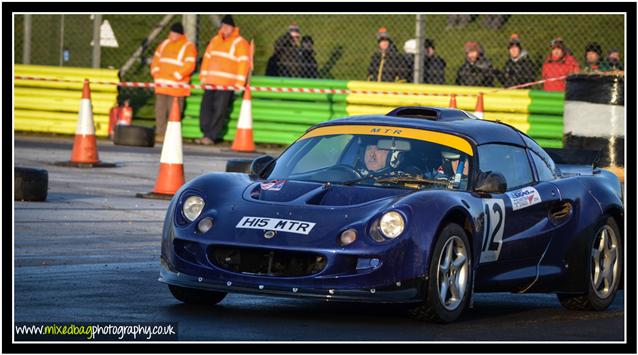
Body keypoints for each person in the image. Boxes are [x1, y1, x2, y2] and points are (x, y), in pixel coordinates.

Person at [197, 15, 250, 145]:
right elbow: (207, 58)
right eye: (223, 26)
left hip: (227, 84)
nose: (224, 29)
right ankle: (205, 133)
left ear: (233, 28)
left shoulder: (240, 42)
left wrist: (239, 83)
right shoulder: (215, 40)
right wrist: (203, 77)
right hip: (210, 82)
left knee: (219, 111)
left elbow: (243, 63)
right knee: (205, 109)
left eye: (227, 27)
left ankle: (211, 136)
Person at [149, 22, 197, 143]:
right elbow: (155, 60)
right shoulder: (164, 44)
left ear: (180, 34)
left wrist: (177, 75)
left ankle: (172, 135)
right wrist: (155, 73)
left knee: (174, 112)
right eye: (171, 32)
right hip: (161, 85)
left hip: (177, 87)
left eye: (175, 33)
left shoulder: (188, 46)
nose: (173, 35)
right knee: (160, 111)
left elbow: (190, 64)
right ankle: (160, 134)